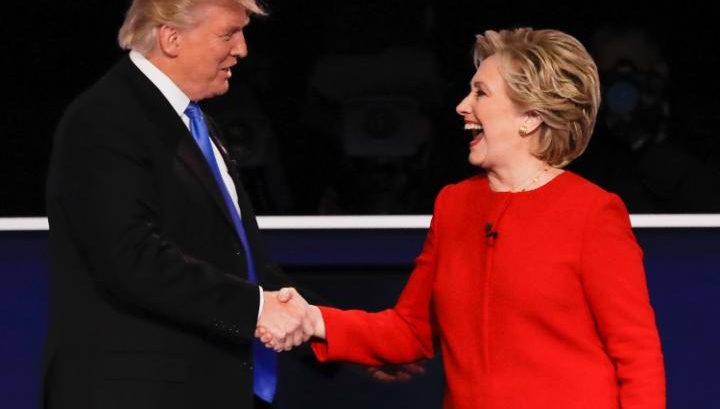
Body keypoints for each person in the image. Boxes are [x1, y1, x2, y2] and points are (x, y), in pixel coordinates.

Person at [259, 28, 666, 408]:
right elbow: (411, 330)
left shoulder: (592, 212)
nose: (462, 106)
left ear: (531, 117)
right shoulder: (454, 205)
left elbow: (637, 355)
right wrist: (312, 319)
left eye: (481, 93)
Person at [42, 0, 315, 408]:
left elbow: (241, 264)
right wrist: (257, 310)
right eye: (228, 33)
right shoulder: (105, 118)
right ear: (171, 38)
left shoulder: (196, 124)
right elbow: (131, 258)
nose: (242, 50)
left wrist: (333, 335)